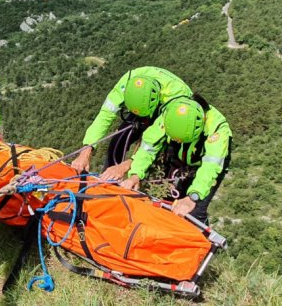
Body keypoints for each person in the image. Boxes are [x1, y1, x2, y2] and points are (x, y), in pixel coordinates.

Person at [115, 95, 231, 224]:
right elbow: (149, 146)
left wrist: (193, 197)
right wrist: (135, 175)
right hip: (180, 157)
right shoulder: (170, 116)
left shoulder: (217, 129)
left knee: (194, 213)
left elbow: (211, 167)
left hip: (205, 164)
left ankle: (203, 238)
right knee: (172, 204)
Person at [71, 66, 192, 175]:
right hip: (144, 103)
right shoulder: (127, 81)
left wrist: (127, 166)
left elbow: (151, 143)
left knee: (164, 154)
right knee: (118, 139)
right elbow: (104, 116)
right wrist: (85, 152)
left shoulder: (177, 101)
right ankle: (109, 177)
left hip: (174, 116)